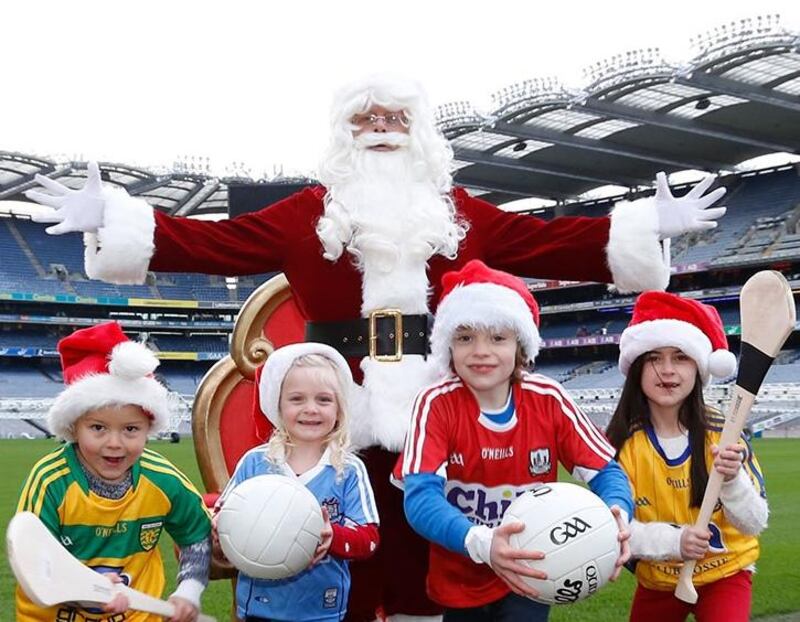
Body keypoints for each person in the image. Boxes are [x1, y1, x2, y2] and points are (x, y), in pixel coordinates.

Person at [24, 75, 726, 622]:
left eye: (396, 119)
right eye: (367, 119)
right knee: (337, 546)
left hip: (442, 396)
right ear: (344, 132)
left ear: (420, 132)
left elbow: (549, 240)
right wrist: (120, 220)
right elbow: (215, 243)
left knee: (447, 546)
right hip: (337, 403)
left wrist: (643, 228)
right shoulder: (307, 214)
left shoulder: (457, 212)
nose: (382, 130)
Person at [396, 260, 633, 621]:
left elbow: (605, 472)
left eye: (497, 337)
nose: (480, 351)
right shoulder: (435, 403)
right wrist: (483, 543)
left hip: (536, 570)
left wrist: (617, 513)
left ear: (520, 344)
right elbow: (420, 498)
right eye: (464, 337)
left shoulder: (548, 397)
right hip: (461, 574)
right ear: (447, 346)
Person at [15, 322, 211, 622]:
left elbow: (196, 535)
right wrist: (85, 589)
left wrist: (188, 590)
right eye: (98, 428)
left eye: (131, 429)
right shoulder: (50, 480)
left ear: (149, 429)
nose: (115, 444)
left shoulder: (163, 479)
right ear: (73, 427)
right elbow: (32, 562)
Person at [605, 291, 769, 622]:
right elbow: (615, 531)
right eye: (654, 357)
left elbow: (754, 522)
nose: (667, 370)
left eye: (681, 357)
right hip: (659, 579)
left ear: (698, 367)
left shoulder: (723, 432)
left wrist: (733, 480)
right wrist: (674, 540)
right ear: (637, 367)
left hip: (727, 571)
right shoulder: (620, 445)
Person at [214, 342, 380, 621]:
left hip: (321, 610)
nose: (311, 409)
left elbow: (370, 539)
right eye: (297, 399)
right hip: (259, 609)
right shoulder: (255, 463)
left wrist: (333, 537)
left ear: (340, 409)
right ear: (277, 405)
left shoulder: (349, 469)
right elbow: (223, 516)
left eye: (324, 400)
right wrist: (220, 531)